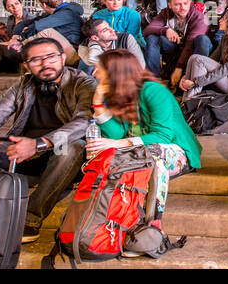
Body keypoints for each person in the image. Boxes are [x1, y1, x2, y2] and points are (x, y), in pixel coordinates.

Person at [0, 37, 96, 242]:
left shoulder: (82, 82)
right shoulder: (24, 84)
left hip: (56, 151)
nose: (45, 64)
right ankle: (0, 203)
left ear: (62, 58)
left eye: (51, 57)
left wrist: (39, 144)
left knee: (73, 148)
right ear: (26, 65)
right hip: (21, 151)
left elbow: (84, 120)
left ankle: (30, 218)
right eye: (36, 60)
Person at [86, 48, 201, 243]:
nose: (94, 74)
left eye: (99, 69)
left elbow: (163, 135)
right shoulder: (120, 95)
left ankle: (152, 227)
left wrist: (117, 143)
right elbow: (116, 133)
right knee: (134, 157)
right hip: (138, 153)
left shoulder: (154, 91)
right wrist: (98, 103)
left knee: (153, 158)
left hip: (174, 151)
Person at [143, 0, 213, 87]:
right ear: (170, 5)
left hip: (197, 50)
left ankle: (194, 81)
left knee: (202, 39)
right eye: (177, 4)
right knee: (152, 37)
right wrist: (166, 30)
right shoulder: (166, 13)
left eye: (185, 3)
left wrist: (179, 68)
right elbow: (147, 30)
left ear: (190, 2)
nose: (183, 7)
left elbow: (190, 44)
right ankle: (153, 81)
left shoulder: (199, 17)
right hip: (177, 48)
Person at [81, 15, 146, 69]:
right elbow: (91, 61)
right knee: (90, 68)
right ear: (95, 38)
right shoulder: (84, 46)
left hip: (129, 78)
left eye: (109, 26)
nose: (112, 30)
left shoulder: (126, 38)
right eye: (105, 30)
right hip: (104, 81)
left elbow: (140, 65)